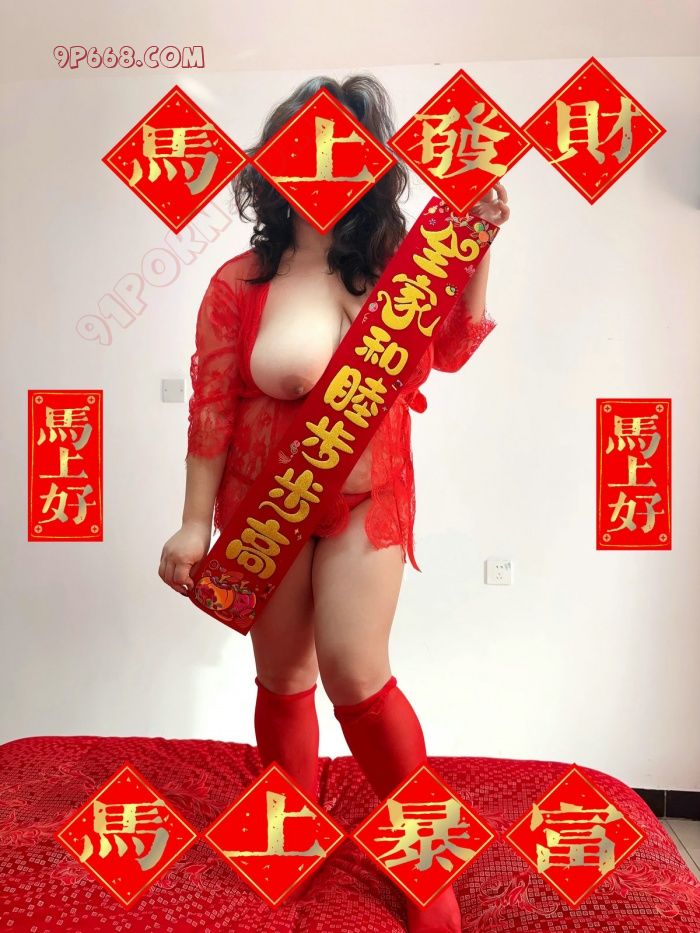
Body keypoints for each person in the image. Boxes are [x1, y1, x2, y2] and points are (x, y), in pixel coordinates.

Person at [159, 74, 509, 932]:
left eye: (339, 149)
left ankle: (427, 866)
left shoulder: (396, 273)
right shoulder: (239, 283)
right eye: (301, 150)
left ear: (369, 167)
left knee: (358, 673)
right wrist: (194, 525)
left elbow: (453, 348)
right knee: (283, 677)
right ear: (272, 167)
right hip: (265, 509)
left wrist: (480, 244)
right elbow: (211, 408)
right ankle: (287, 841)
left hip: (365, 504)